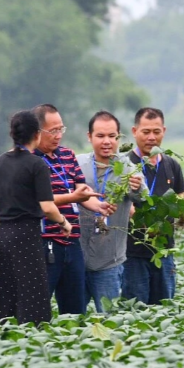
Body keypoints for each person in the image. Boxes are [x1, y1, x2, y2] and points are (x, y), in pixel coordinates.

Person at [31, 104, 116, 315]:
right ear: (37, 131)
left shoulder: (68, 155)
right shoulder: (29, 160)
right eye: (53, 131)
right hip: (45, 241)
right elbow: (38, 201)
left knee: (75, 308)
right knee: (39, 306)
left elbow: (80, 190)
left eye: (61, 129)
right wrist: (74, 196)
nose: (58, 135)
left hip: (72, 241)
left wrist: (98, 206)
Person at [0, 111, 72, 325]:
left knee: (7, 294)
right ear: (37, 134)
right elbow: (47, 206)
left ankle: (6, 338)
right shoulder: (36, 164)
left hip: (3, 236)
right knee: (33, 298)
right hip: (26, 235)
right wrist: (64, 223)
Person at [77, 111, 146, 312]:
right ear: (89, 137)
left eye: (111, 136)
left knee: (110, 320)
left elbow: (143, 199)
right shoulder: (77, 164)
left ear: (119, 137)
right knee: (71, 320)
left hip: (110, 260)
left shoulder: (127, 168)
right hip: (76, 258)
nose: (106, 141)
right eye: (100, 136)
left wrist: (137, 187)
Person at [122, 107, 184, 305]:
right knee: (135, 312)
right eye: (146, 132)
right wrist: (141, 222)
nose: (151, 137)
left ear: (164, 131)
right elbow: (119, 205)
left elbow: (181, 198)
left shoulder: (171, 164)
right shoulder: (124, 164)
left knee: (165, 308)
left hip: (164, 251)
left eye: (156, 132)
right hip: (133, 253)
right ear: (135, 132)